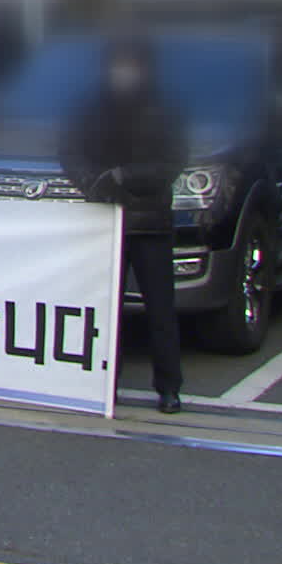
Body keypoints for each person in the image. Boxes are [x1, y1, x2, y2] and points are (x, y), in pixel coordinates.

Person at [60, 35, 188, 415]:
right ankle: (104, 386)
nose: (124, 72)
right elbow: (69, 151)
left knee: (160, 310)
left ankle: (169, 388)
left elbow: (173, 162)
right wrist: (91, 182)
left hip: (150, 223)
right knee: (106, 310)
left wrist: (126, 176)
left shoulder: (164, 107)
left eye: (131, 64)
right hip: (105, 220)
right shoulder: (91, 107)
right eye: (118, 64)